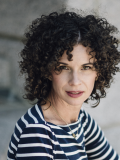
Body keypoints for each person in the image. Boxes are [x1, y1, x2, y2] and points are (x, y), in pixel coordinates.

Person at [7, 9, 120, 160]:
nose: (75, 81)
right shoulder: (37, 132)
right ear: (47, 70)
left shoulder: (82, 120)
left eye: (86, 68)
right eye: (63, 68)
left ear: (98, 72)